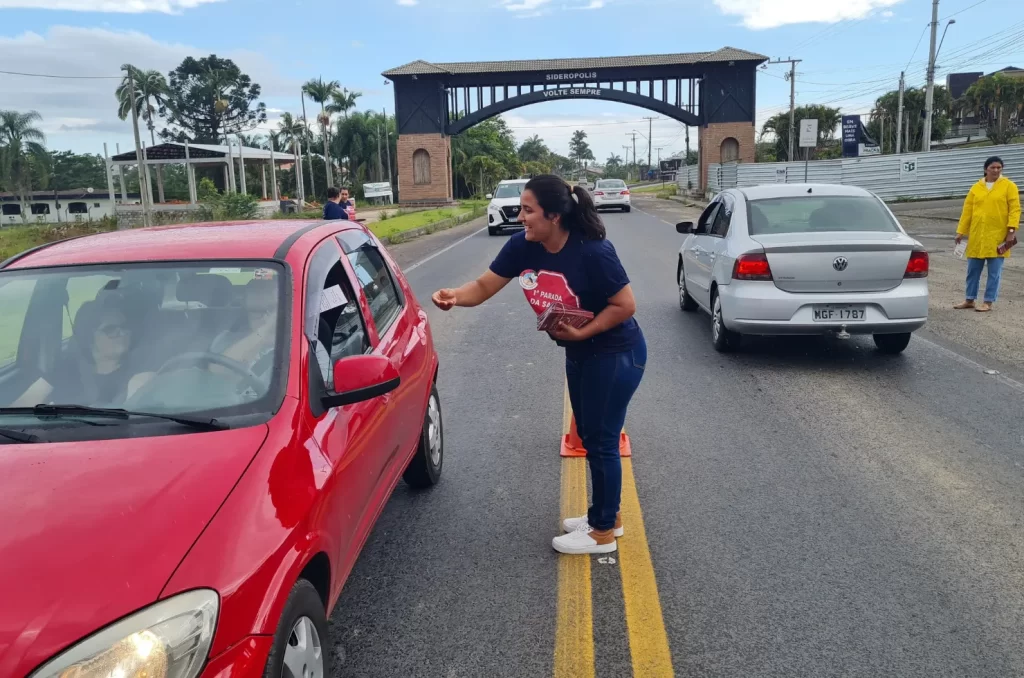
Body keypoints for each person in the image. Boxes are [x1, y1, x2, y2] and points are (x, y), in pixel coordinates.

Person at [431, 174, 646, 556]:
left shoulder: (593, 251)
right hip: (580, 353)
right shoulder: (523, 246)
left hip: (616, 353)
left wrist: (585, 332)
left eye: (528, 210)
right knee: (594, 437)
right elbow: (483, 286)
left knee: (601, 441)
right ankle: (607, 516)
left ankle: (600, 533)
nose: (521, 215)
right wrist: (454, 297)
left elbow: (625, 305)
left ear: (554, 217)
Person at [11, 293, 153, 407]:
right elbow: (19, 408)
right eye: (110, 329)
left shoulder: (140, 372)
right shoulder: (65, 369)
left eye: (123, 326)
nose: (122, 333)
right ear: (89, 336)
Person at [954, 156, 1021, 312]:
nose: (996, 170)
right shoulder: (976, 187)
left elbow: (1015, 210)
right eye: (993, 168)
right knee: (972, 271)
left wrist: (1011, 231)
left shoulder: (1009, 186)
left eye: (999, 168)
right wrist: (960, 231)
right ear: (986, 169)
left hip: (998, 237)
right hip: (977, 235)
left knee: (994, 272)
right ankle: (969, 299)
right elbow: (967, 212)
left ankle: (988, 301)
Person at [210, 278, 279, 386]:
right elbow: (217, 372)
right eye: (256, 311)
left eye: (270, 310)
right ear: (245, 307)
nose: (265, 318)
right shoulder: (227, 339)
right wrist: (265, 330)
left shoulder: (298, 345)